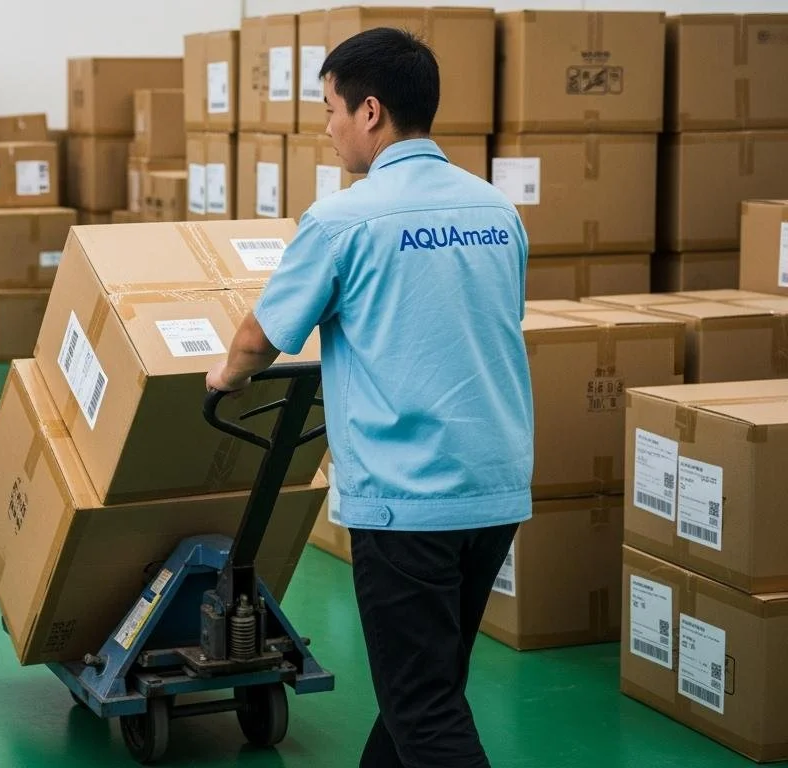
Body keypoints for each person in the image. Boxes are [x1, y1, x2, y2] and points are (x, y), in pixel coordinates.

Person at [205, 28, 534, 768]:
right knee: (428, 685)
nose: (326, 130)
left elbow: (263, 335)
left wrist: (223, 376)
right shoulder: (496, 212)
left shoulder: (344, 220)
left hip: (407, 499)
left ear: (372, 112)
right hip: (495, 488)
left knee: (422, 706)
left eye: (330, 110)